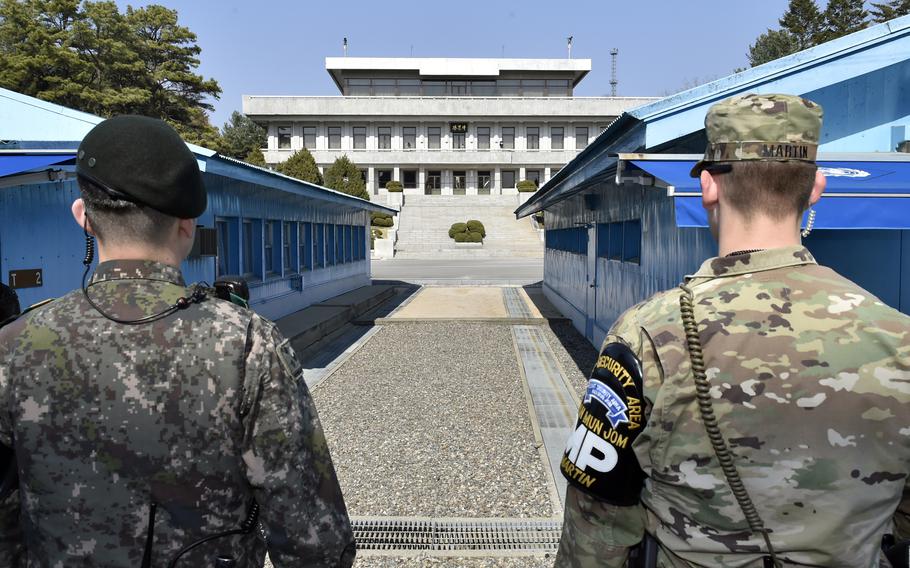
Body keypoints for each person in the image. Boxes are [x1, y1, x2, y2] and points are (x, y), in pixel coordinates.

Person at [555, 94, 910, 567]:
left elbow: (598, 518)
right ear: (818, 187)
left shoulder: (649, 333)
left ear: (707, 187)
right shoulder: (897, 334)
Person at [0, 115, 356, 567]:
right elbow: (314, 539)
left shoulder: (15, 344)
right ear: (187, 225)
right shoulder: (245, 343)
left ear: (83, 218)